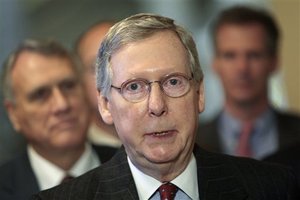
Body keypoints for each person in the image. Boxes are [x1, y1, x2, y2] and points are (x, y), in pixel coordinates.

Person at [32, 13, 299, 200]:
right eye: (134, 87)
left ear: (200, 93)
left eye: (173, 82)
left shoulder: (276, 187)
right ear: (105, 105)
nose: (157, 106)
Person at [0, 39, 117, 200]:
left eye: (68, 86)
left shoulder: (137, 167)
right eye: (41, 94)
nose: (61, 105)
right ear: (13, 114)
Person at [196, 6, 300, 159]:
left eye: (254, 55)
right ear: (215, 64)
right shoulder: (192, 142)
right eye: (230, 55)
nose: (242, 68)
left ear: (274, 62)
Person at [75, 21, 121, 147]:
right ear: (80, 83)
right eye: (97, 68)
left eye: (123, 63)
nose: (112, 76)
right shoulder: (76, 156)